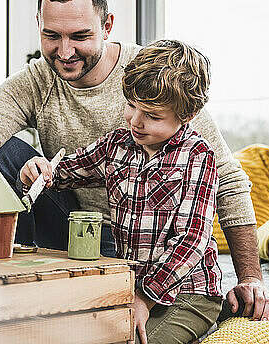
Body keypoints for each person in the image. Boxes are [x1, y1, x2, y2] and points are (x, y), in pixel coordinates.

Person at [0, 0, 269, 325]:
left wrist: (250, 277)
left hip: (135, 243)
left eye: (80, 36)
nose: (64, 52)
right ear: (38, 25)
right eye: (52, 35)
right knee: (10, 153)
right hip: (69, 228)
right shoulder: (36, 82)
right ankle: (11, 289)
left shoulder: (151, 79)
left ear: (107, 26)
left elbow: (228, 180)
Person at [18, 39, 229, 343]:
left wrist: (144, 299)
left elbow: (192, 241)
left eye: (153, 116)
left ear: (188, 115)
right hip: (131, 284)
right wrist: (38, 172)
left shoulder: (197, 156)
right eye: (132, 106)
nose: (136, 122)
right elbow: (63, 172)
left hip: (188, 293)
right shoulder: (117, 145)